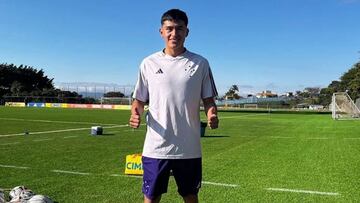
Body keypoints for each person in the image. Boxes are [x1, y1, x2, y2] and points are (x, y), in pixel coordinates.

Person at [129, 8, 219, 203]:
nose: (174, 33)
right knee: (151, 198)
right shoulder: (148, 63)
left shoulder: (200, 63)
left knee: (190, 196)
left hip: (189, 147)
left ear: (187, 32)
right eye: (169, 28)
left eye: (179, 28)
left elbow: (209, 100)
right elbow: (139, 101)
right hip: (156, 146)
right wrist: (135, 113)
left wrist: (212, 114)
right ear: (161, 31)